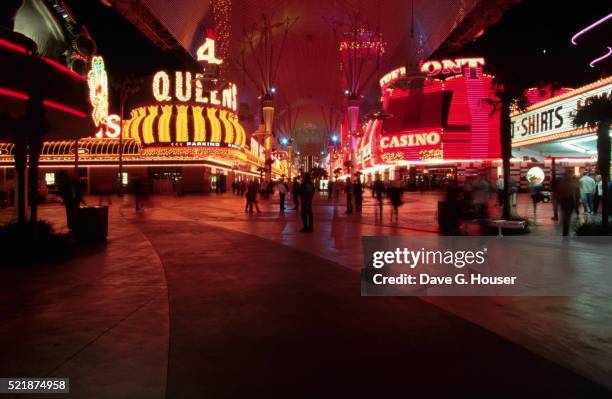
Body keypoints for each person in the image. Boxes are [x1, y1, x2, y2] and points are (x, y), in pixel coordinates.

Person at [557, 170, 580, 236]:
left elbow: (558, 193)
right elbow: (577, 193)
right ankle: (566, 230)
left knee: (566, 216)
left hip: (567, 200)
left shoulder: (562, 183)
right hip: (567, 200)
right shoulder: (573, 183)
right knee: (567, 216)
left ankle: (565, 230)